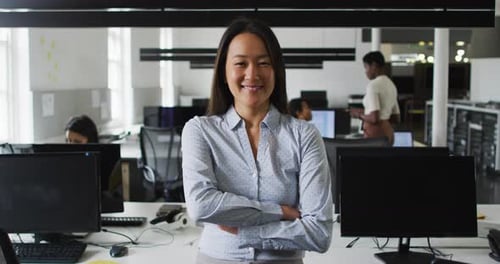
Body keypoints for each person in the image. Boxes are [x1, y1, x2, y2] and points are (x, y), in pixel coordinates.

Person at [181, 17, 333, 263]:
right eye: (241, 63)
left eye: (264, 63)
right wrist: (280, 212)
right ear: (224, 71)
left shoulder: (304, 135)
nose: (252, 74)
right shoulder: (200, 131)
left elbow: (319, 233)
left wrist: (247, 232)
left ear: (277, 71)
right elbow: (201, 207)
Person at [349, 51, 400, 145]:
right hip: (388, 134)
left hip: (375, 136)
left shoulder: (373, 85)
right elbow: (395, 118)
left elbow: (374, 118)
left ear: (374, 65)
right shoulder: (391, 85)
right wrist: (366, 113)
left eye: (366, 67)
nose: (365, 71)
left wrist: (358, 115)